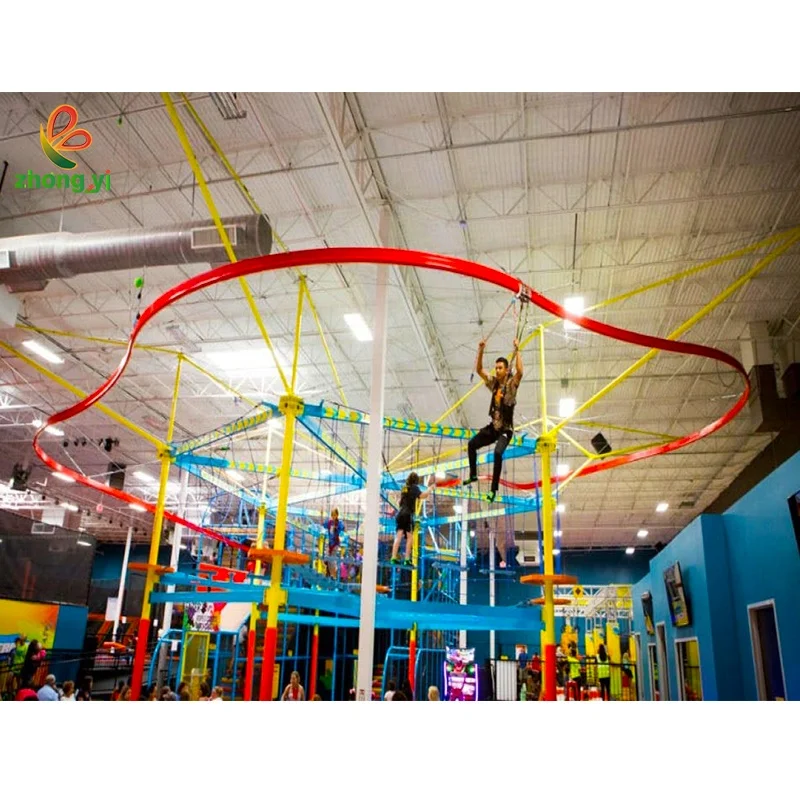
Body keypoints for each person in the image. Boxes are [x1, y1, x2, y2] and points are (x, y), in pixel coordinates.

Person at [464, 338, 523, 502]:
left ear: (506, 369)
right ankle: (473, 474)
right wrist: (481, 350)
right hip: (494, 427)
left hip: (506, 429)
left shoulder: (511, 385)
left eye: (500, 368)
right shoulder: (494, 384)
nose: (497, 370)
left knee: (497, 453)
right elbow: (479, 370)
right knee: (471, 444)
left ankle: (493, 490)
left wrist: (517, 350)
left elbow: (520, 372)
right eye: (496, 368)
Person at [390, 472, 433, 565]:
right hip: (407, 514)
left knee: (398, 536)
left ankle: (393, 557)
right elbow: (423, 496)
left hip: (400, 514)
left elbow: (400, 502)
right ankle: (407, 559)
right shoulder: (414, 487)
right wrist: (430, 489)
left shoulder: (404, 488)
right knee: (410, 537)